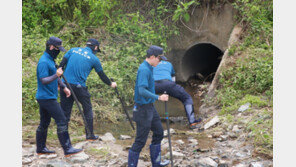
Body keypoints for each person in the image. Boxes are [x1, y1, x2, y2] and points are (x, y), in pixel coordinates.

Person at [59, 38, 117, 141]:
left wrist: (59, 82)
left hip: (65, 85)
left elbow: (61, 65)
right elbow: (102, 75)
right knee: (88, 109)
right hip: (79, 87)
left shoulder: (73, 50)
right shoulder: (94, 59)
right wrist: (110, 83)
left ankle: (64, 138)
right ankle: (90, 135)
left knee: (65, 112)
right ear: (95, 47)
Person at [35, 36, 82, 157]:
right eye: (57, 49)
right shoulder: (44, 62)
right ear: (51, 47)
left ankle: (40, 148)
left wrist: (63, 86)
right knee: (61, 120)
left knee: (44, 122)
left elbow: (55, 75)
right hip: (47, 98)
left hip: (46, 96)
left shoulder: (50, 59)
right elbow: (44, 80)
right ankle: (67, 148)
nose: (58, 51)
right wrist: (57, 75)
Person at [128, 45, 170, 167]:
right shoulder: (144, 70)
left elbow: (148, 88)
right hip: (142, 109)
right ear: (152, 57)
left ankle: (156, 163)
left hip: (149, 107)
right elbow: (141, 91)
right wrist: (158, 97)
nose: (160, 61)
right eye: (159, 59)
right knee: (140, 141)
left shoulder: (150, 67)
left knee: (159, 132)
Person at [153, 60, 202, 129]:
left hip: (153, 85)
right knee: (186, 98)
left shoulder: (150, 64)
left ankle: (143, 119)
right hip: (168, 84)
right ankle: (192, 122)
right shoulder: (169, 64)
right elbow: (173, 79)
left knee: (146, 96)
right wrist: (170, 90)